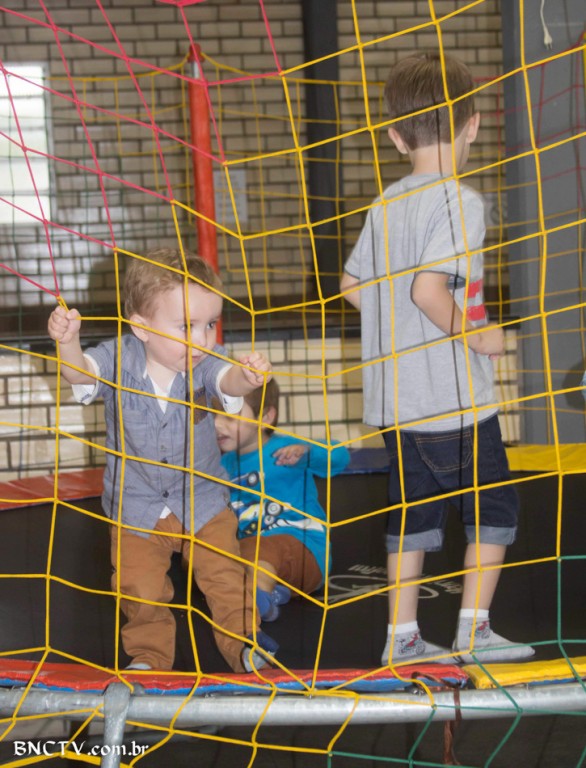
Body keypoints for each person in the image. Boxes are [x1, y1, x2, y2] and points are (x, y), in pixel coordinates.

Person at [340, 52, 535, 666]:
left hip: (397, 405)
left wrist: (397, 326)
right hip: (454, 400)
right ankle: (473, 632)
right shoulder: (460, 201)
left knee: (413, 518)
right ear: (472, 125)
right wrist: (474, 334)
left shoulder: (385, 203)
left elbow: (352, 286)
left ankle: (402, 638)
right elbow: (429, 290)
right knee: (492, 509)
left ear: (396, 138)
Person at [48, 247, 278, 674]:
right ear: (142, 327)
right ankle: (150, 659)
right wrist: (68, 342)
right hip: (136, 509)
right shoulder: (117, 358)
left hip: (202, 501)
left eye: (210, 324)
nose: (202, 339)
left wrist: (246, 378)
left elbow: (226, 378)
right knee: (139, 591)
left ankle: (245, 645)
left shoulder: (205, 362)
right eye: (186, 326)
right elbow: (80, 373)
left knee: (226, 578)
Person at [215, 379, 350, 621]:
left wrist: (308, 452)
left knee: (259, 549)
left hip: (304, 550)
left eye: (230, 417)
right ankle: (272, 594)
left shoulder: (286, 450)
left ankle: (255, 600)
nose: (217, 425)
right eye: (213, 415)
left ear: (266, 417)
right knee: (211, 556)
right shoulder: (220, 465)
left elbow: (340, 457)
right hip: (251, 553)